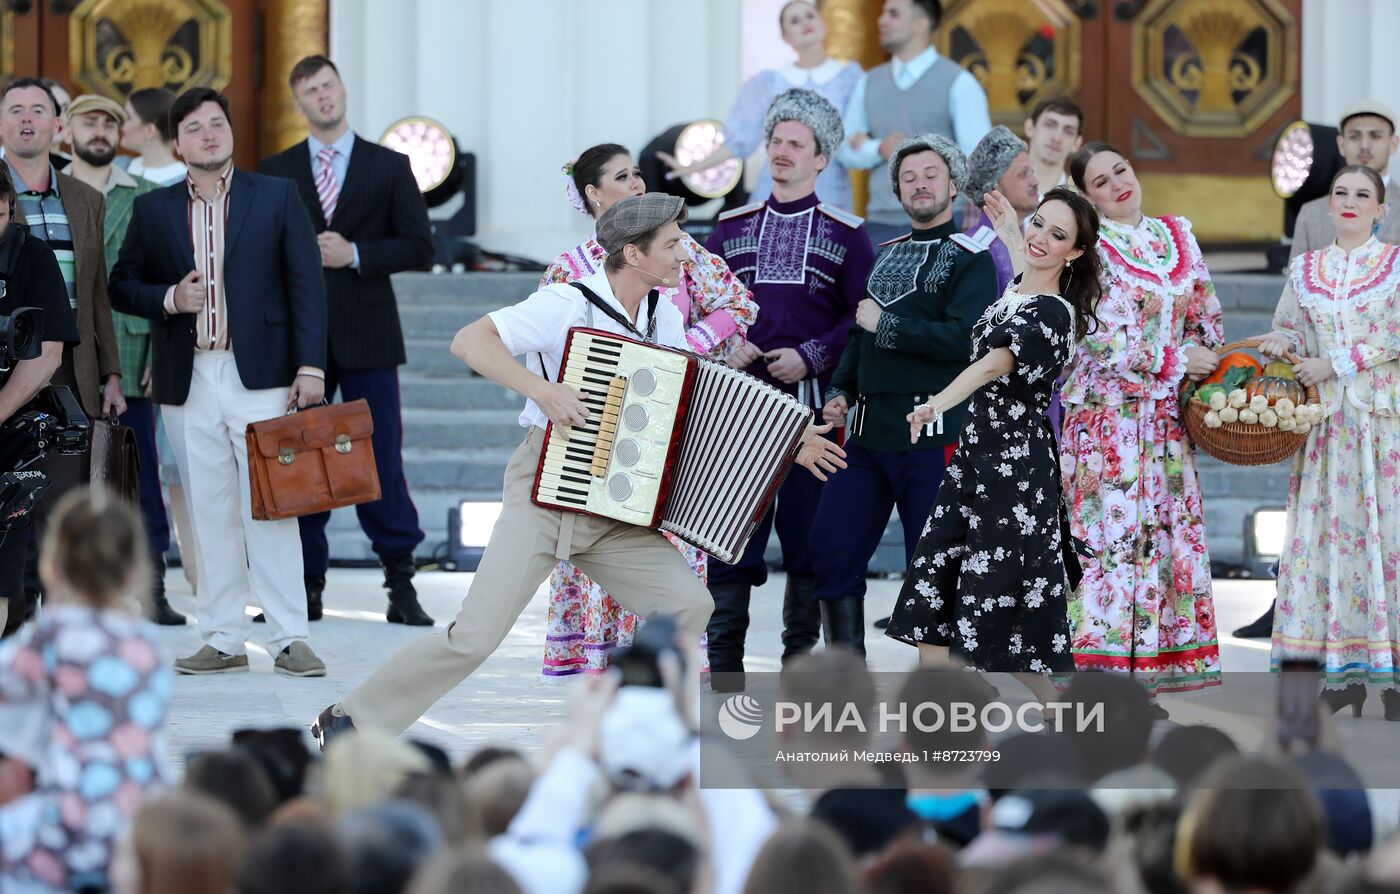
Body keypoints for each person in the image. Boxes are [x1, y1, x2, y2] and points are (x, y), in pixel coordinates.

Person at [310, 193, 845, 744]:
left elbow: (699, 400)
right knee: (474, 636)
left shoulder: (663, 314)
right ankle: (350, 719)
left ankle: (626, 732)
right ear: (633, 254)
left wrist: (788, 441)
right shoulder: (567, 303)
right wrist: (541, 389)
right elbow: (469, 341)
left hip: (614, 506)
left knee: (688, 605)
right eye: (672, 243)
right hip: (544, 493)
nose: (685, 253)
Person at [109, 87, 329, 678]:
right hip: (188, 376)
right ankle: (224, 638)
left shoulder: (276, 197)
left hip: (262, 375)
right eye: (196, 128)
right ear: (176, 143)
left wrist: (311, 365)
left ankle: (289, 637)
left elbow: (307, 283)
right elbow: (121, 284)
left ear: (230, 133)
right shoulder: (153, 210)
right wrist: (168, 298)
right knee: (208, 510)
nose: (210, 134)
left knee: (273, 506)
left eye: (218, 124)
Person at [539, 142, 756, 677]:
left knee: (669, 555)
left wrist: (689, 345)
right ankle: (605, 683)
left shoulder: (677, 249)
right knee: (602, 554)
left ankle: (665, 675)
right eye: (621, 177)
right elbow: (553, 359)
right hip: (601, 436)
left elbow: (739, 303)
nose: (637, 184)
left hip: (673, 429)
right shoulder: (567, 272)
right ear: (592, 195)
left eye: (638, 173)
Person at [887, 187, 1100, 701]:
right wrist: (1013, 233)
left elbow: (994, 363)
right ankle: (961, 711)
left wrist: (936, 402)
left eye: (1058, 235)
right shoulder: (1019, 293)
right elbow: (1022, 278)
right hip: (977, 459)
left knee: (998, 602)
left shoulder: (1056, 314)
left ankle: (1042, 708)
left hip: (1016, 467)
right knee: (934, 588)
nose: (1042, 238)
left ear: (1074, 252)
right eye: (1039, 224)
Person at [703, 89, 873, 686]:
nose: (781, 152)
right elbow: (697, 300)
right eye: (775, 141)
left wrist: (811, 355)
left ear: (822, 158)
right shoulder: (728, 228)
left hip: (811, 415)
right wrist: (728, 340)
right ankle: (722, 667)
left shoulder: (849, 235)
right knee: (728, 536)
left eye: (796, 144)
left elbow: (863, 317)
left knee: (808, 545)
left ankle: (799, 668)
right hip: (734, 411)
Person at [262, 55, 435, 626]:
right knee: (297, 458)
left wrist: (356, 254)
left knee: (381, 456)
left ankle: (400, 584)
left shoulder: (389, 164)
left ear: (342, 90)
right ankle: (304, 586)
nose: (323, 97)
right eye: (310, 91)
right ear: (300, 103)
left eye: (329, 86)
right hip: (299, 340)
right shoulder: (278, 169)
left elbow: (419, 245)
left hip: (369, 331)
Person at [811, 133, 996, 655]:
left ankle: (942, 700)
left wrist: (888, 324)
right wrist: (842, 389)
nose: (919, 184)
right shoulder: (884, 251)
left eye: (931, 174)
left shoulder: (971, 259)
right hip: (867, 436)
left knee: (936, 566)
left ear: (953, 185)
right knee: (832, 548)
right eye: (908, 177)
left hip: (932, 435)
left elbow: (967, 341)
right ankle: (844, 685)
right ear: (897, 189)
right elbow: (856, 335)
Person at [1062, 142, 1223, 705]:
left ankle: (1145, 685)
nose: (1117, 185)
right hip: (1107, 424)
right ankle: (1099, 687)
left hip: (1165, 424)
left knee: (1158, 544)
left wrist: (1205, 360)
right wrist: (1176, 360)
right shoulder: (1087, 249)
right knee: (1110, 544)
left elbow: (1205, 314)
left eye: (1121, 171)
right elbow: (1097, 336)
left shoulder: (1177, 235)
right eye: (1101, 182)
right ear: (1087, 196)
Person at [1261, 165, 1400, 720]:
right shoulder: (1307, 269)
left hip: (1382, 426)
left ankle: (1392, 678)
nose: (1349, 201)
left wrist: (1336, 362)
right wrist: (1282, 341)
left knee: (1385, 538)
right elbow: (1293, 327)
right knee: (1331, 541)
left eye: (1361, 194)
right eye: (1340, 192)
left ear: (1380, 208)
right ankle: (1342, 677)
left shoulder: (1395, 265)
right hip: (1327, 427)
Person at [0, 489, 173, 893]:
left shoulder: (49, 636)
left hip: (68, 817)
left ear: (51, 565)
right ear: (133, 572)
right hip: (145, 820)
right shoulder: (150, 647)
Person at [61, 93, 186, 628]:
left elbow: (159, 277)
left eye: (110, 123)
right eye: (89, 121)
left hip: (132, 349)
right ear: (67, 131)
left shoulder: (147, 196)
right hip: (64, 351)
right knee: (68, 474)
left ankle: (151, 585)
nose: (100, 130)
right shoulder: (48, 191)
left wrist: (162, 348)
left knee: (139, 477)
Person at [2, 78, 124, 613]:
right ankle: (16, 618)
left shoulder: (85, 198)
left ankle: (59, 632)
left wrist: (112, 371)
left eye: (39, 110)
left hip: (69, 369)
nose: (27, 118)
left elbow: (97, 293)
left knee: (64, 505)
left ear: (58, 124)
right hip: (7, 367)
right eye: (14, 109)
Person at [655, 0, 863, 211]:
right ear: (785, 36)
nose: (804, 23)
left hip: (831, 189)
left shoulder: (851, 78)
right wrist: (691, 168)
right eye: (794, 20)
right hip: (777, 187)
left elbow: (862, 130)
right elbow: (738, 139)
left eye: (809, 16)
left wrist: (862, 137)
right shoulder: (769, 83)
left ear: (823, 23)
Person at [838, 0, 991, 246]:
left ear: (920, 24)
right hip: (881, 222)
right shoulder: (868, 82)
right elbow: (844, 148)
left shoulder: (960, 82)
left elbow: (978, 158)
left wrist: (926, 155)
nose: (881, 20)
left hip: (943, 223)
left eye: (893, 14)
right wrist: (878, 148)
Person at [0, 164, 77, 637]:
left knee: (6, 567)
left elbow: (48, 351)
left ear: (9, 207)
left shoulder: (33, 257)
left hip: (11, 430)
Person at [1288, 100, 1400, 260]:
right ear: (1341, 144)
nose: (1364, 146)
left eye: (1375, 136)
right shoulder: (1311, 214)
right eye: (1354, 137)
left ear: (1393, 143)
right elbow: (1295, 281)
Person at [120, 88, 188, 186]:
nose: (121, 123)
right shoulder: (119, 165)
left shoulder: (186, 187)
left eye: (127, 117)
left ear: (150, 130)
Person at [1023, 97, 1084, 200]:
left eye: (1068, 131)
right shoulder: (999, 190)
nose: (1057, 138)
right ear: (1030, 128)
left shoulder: (1082, 202)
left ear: (1077, 143)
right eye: (1049, 125)